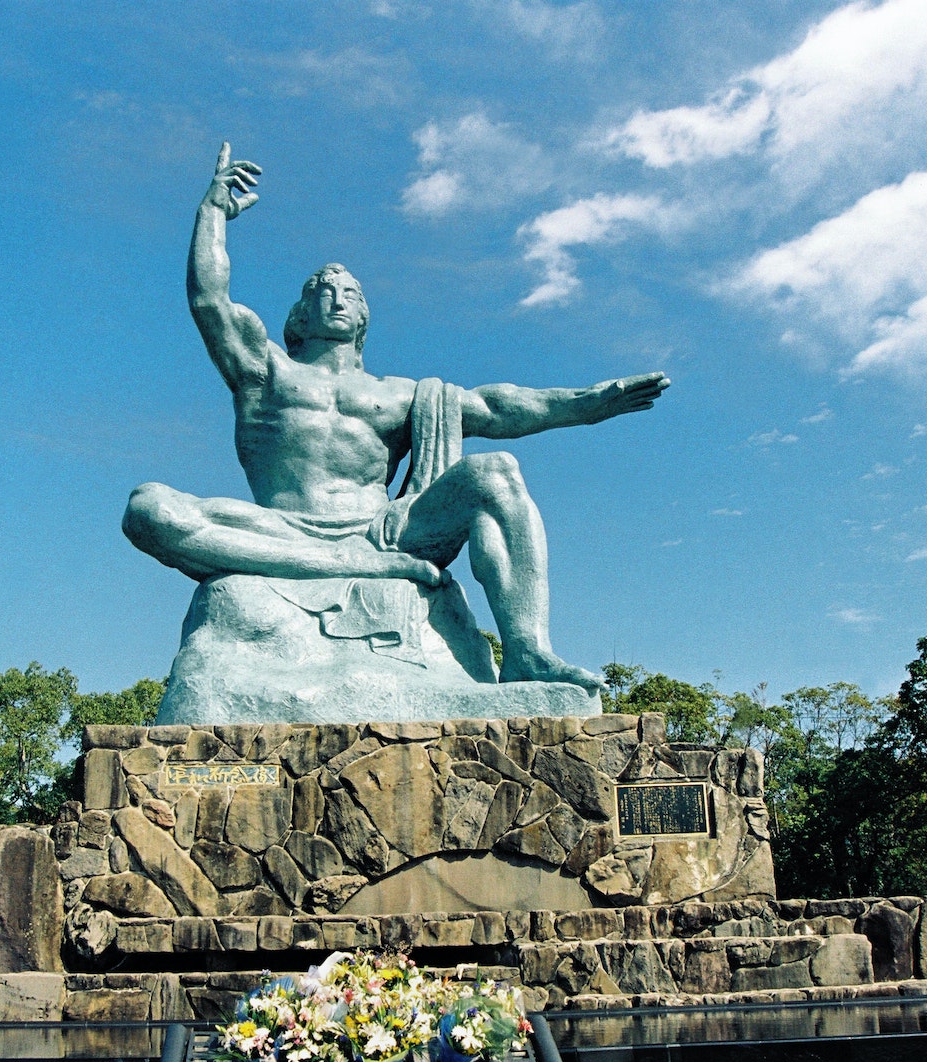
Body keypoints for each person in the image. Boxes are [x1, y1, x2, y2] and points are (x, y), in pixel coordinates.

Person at [123, 144, 669, 691]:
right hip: (283, 526)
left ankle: (527, 651)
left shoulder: (402, 394)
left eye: (351, 294)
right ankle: (347, 569)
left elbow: (497, 408)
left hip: (385, 531)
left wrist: (588, 404)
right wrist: (212, 213)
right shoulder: (265, 369)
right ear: (299, 314)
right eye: (322, 292)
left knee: (496, 472)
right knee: (148, 508)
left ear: (364, 318)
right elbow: (209, 300)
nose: (337, 299)